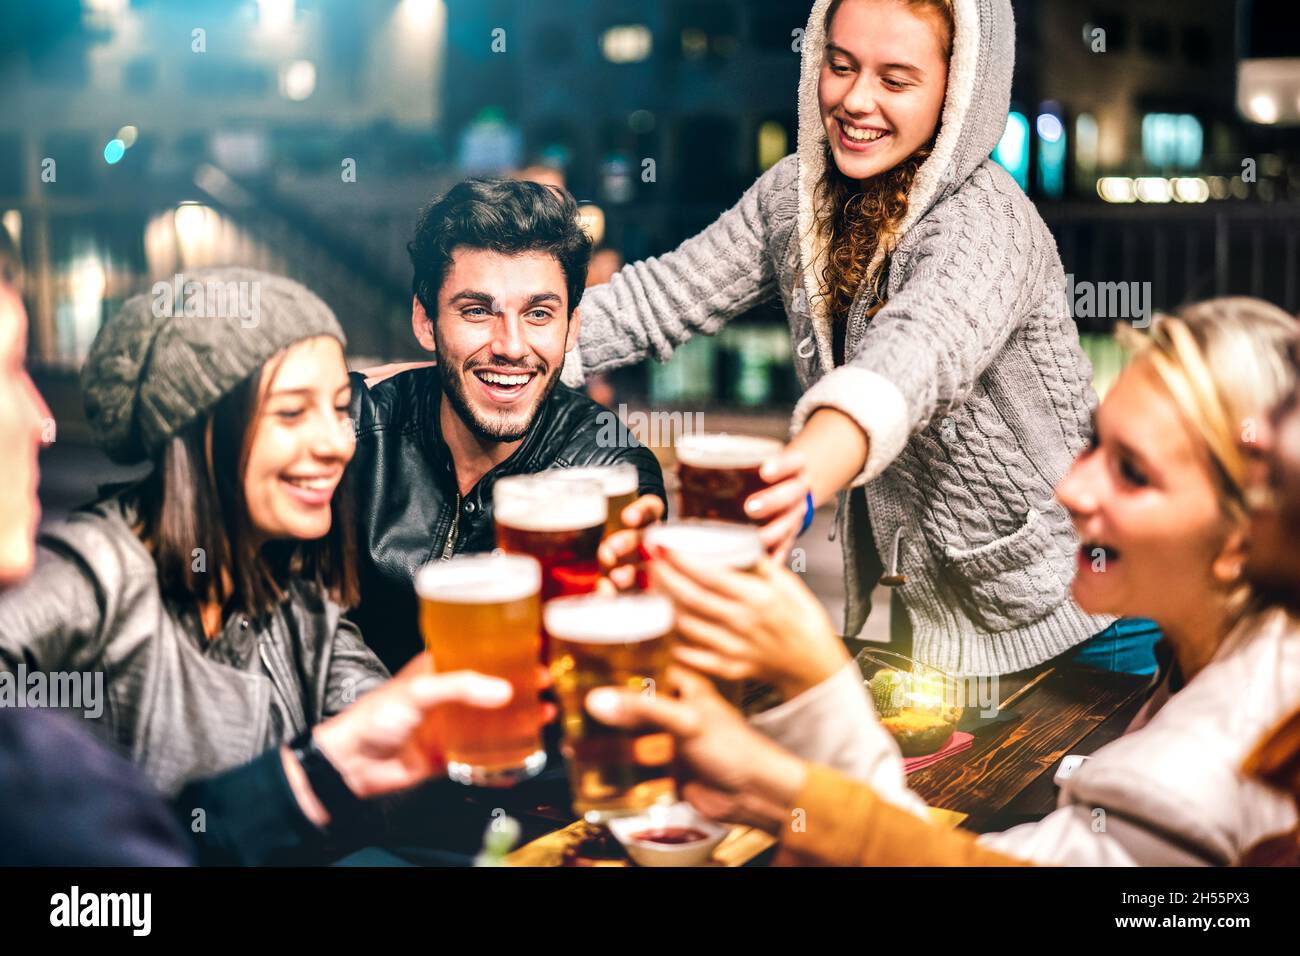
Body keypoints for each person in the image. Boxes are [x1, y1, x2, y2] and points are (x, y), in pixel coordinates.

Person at [590, 299, 1300, 866]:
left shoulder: (1199, 772)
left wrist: (816, 681)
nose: (1069, 489)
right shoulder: (1246, 659)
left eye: (1134, 472)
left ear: (1244, 540)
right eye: (1093, 445)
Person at [572, 0, 1143, 677]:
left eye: (895, 80)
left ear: (960, 89)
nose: (855, 100)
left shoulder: (987, 221)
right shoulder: (794, 196)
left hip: (1089, 615)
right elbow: (659, 297)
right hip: (932, 617)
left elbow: (914, 356)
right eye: (839, 66)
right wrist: (493, 356)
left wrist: (802, 477)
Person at [0, 268, 537, 865]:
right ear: (200, 429)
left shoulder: (295, 604)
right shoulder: (94, 573)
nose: (336, 443)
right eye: (290, 414)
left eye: (338, 409)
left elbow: (402, 762)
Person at [348, 178, 665, 672]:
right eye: (477, 311)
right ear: (425, 321)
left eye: (539, 313)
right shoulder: (353, 433)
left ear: (572, 328)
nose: (511, 346)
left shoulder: (606, 470)